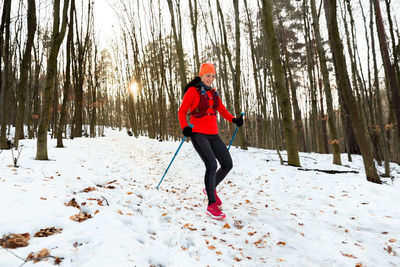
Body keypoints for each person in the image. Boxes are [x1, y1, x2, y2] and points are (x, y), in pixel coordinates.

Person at [178, 62, 244, 220]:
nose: (211, 79)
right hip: (198, 133)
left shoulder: (214, 93)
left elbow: (221, 110)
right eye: (208, 75)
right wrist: (184, 127)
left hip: (213, 134)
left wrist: (234, 119)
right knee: (211, 165)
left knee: (227, 164)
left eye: (213, 76)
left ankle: (210, 187)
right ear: (201, 75)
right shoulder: (193, 91)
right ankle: (211, 205)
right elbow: (182, 111)